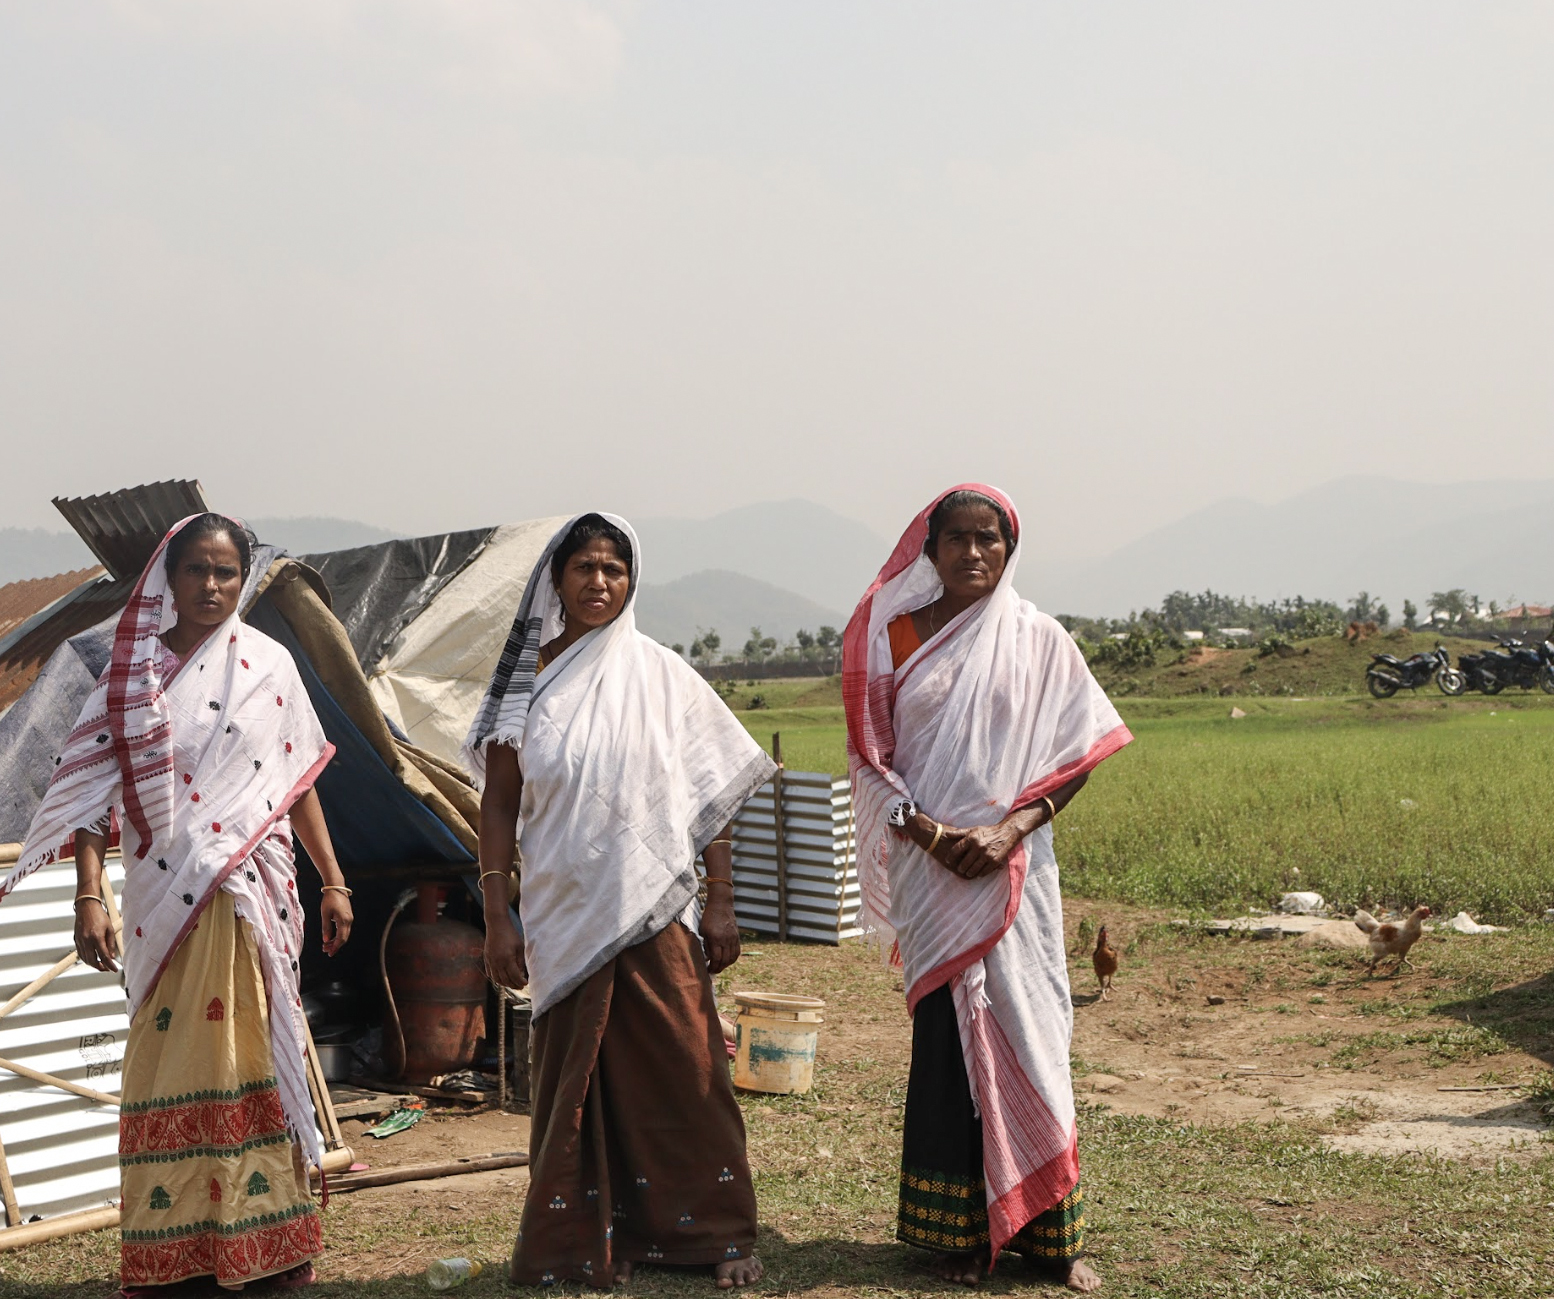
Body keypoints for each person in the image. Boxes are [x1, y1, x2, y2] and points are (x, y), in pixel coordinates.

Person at [0, 513, 354, 1294]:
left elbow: (295, 781)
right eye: (198, 569)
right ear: (169, 575)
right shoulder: (132, 676)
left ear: (243, 580)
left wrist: (333, 877)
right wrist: (88, 893)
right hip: (164, 904)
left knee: (252, 1056)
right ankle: (175, 1253)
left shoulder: (268, 665)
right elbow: (90, 798)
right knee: (164, 1065)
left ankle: (267, 1248)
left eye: (227, 572)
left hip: (248, 899)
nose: (212, 585)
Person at [467, 513, 776, 1291]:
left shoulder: (662, 675)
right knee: (580, 1076)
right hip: (564, 910)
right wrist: (498, 913)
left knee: (689, 1066)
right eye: (585, 568)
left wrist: (721, 900)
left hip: (657, 906)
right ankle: (603, 1233)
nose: (599, 582)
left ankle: (718, 1231)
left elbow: (712, 791)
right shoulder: (525, 684)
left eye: (614, 568)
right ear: (557, 579)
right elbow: (497, 804)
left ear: (632, 579)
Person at [842, 486, 1130, 1293]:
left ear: (1009, 548)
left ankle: (1050, 1238)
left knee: (1033, 1035)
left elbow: (1077, 754)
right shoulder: (896, 637)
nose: (973, 552)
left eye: (989, 538)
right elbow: (871, 758)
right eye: (957, 539)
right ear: (929, 550)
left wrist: (1008, 832)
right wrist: (935, 835)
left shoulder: (1039, 638)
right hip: (930, 870)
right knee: (948, 1045)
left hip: (1015, 869)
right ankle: (960, 1236)